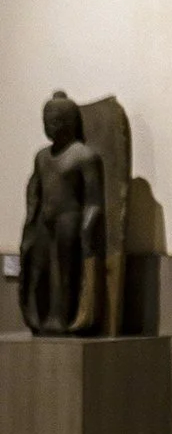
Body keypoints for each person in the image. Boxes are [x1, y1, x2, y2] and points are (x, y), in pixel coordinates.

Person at [19, 92, 105, 335]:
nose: (49, 126)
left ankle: (61, 317)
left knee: (64, 272)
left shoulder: (84, 156)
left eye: (55, 120)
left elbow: (94, 201)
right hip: (43, 220)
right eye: (46, 121)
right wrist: (31, 219)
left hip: (69, 218)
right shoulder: (42, 157)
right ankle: (38, 315)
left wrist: (87, 228)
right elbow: (35, 189)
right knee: (39, 269)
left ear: (69, 122)